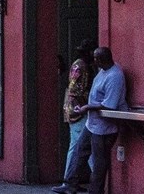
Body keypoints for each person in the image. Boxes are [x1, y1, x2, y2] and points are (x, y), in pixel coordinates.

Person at [62, 47, 128, 194]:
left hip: (105, 127)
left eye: (96, 58)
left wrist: (87, 107)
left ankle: (95, 191)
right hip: (92, 123)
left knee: (99, 162)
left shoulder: (115, 76)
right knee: (80, 151)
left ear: (102, 60)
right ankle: (70, 184)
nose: (94, 61)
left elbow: (110, 104)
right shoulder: (103, 71)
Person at [53, 39, 96, 194]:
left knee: (76, 146)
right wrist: (83, 107)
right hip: (78, 111)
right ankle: (95, 180)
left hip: (75, 110)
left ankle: (70, 180)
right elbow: (74, 90)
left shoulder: (83, 65)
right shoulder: (81, 66)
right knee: (83, 146)